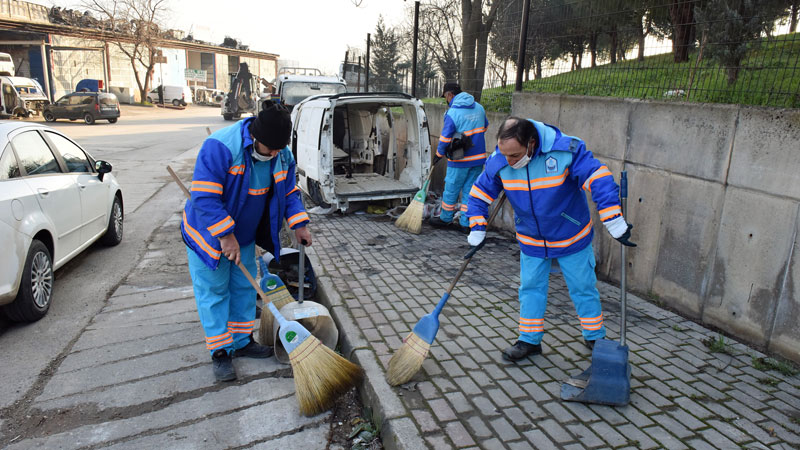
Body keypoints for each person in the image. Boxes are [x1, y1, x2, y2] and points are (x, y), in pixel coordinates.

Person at [466, 117, 636, 362]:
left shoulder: (566, 150)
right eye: (505, 155)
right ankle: (529, 340)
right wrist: (477, 228)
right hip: (531, 239)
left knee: (582, 287)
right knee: (530, 289)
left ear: (532, 144)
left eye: (514, 155)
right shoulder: (500, 161)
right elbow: (478, 195)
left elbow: (598, 177)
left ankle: (594, 336)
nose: (509, 161)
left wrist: (613, 220)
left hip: (570, 235)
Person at [181, 101, 312, 381]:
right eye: (271, 148)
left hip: (245, 235)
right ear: (256, 137)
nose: (275, 153)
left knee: (243, 286)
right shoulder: (220, 148)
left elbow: (289, 192)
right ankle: (220, 352)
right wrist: (225, 237)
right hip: (209, 234)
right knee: (215, 291)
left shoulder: (281, 154)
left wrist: (299, 223)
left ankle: (241, 342)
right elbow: (205, 198)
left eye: (280, 148)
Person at [429, 82, 488, 233]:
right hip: (478, 159)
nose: (446, 101)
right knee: (470, 190)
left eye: (446, 98)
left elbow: (445, 138)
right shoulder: (479, 108)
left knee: (451, 189)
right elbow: (485, 127)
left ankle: (446, 218)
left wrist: (438, 155)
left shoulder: (453, 113)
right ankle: (466, 223)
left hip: (459, 160)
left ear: (450, 95)